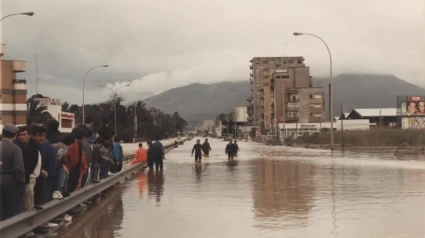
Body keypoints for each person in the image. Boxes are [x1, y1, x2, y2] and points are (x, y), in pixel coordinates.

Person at [0, 124, 26, 221]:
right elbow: (18, 169)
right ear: (15, 136)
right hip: (12, 184)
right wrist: (22, 181)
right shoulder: (15, 149)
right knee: (12, 212)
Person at [15, 126, 41, 213]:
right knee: (27, 205)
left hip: (32, 178)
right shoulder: (18, 147)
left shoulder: (32, 146)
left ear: (29, 135)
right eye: (20, 135)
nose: (22, 137)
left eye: (24, 134)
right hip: (26, 179)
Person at [52, 134, 75, 199]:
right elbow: (58, 157)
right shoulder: (63, 148)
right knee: (62, 174)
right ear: (71, 143)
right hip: (54, 166)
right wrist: (61, 166)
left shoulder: (59, 145)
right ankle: (58, 191)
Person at [66, 128, 88, 193]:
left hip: (68, 169)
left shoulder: (69, 141)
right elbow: (75, 160)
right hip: (73, 170)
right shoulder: (76, 144)